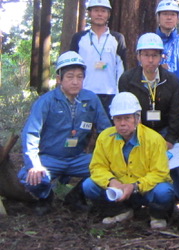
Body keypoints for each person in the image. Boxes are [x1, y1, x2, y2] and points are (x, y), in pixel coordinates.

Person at [19, 51, 111, 215]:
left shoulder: (90, 99)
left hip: (78, 158)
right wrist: (34, 164)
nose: (75, 81)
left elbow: (106, 130)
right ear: (59, 78)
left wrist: (110, 156)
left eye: (80, 76)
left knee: (111, 168)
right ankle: (45, 197)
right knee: (29, 176)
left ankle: (76, 195)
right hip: (50, 158)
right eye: (70, 77)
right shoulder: (46, 101)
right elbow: (30, 134)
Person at [82, 92, 175, 229]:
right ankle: (120, 211)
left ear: (137, 118)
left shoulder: (154, 140)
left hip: (144, 190)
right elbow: (97, 167)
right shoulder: (105, 137)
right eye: (118, 119)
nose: (123, 123)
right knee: (89, 185)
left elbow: (160, 173)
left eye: (127, 118)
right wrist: (111, 181)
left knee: (164, 191)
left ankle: (157, 215)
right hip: (118, 189)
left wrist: (134, 186)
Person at [118, 33, 179, 196]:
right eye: (146, 55)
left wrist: (170, 139)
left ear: (161, 57)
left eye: (155, 55)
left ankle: (171, 195)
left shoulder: (172, 81)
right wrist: (136, 135)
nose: (150, 60)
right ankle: (132, 194)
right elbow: (124, 110)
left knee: (168, 161)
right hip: (137, 131)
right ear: (139, 56)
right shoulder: (127, 79)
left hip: (163, 131)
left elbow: (176, 113)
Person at [69, 0, 126, 116]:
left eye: (103, 11)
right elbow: (72, 67)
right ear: (90, 13)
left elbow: (121, 67)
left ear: (108, 14)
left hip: (110, 94)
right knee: (83, 132)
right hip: (84, 92)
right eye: (96, 10)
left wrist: (119, 93)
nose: (99, 14)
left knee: (108, 132)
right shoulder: (79, 38)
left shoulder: (117, 38)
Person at [155, 0, 179, 83]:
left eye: (172, 14)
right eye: (165, 14)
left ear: (177, 18)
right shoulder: (149, 42)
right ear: (158, 17)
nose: (169, 17)